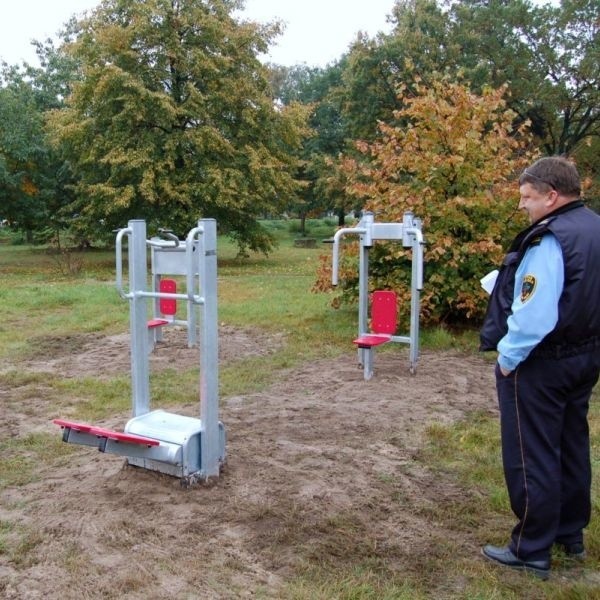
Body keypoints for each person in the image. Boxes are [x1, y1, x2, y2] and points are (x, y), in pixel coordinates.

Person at [479, 156, 600, 580]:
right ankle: (570, 532)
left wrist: (508, 359)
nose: (523, 207)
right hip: (584, 355)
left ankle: (531, 547)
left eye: (527, 198)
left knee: (531, 452)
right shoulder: (594, 228)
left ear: (551, 195)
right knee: (570, 443)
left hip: (542, 361)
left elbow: (535, 315)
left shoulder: (549, 239)